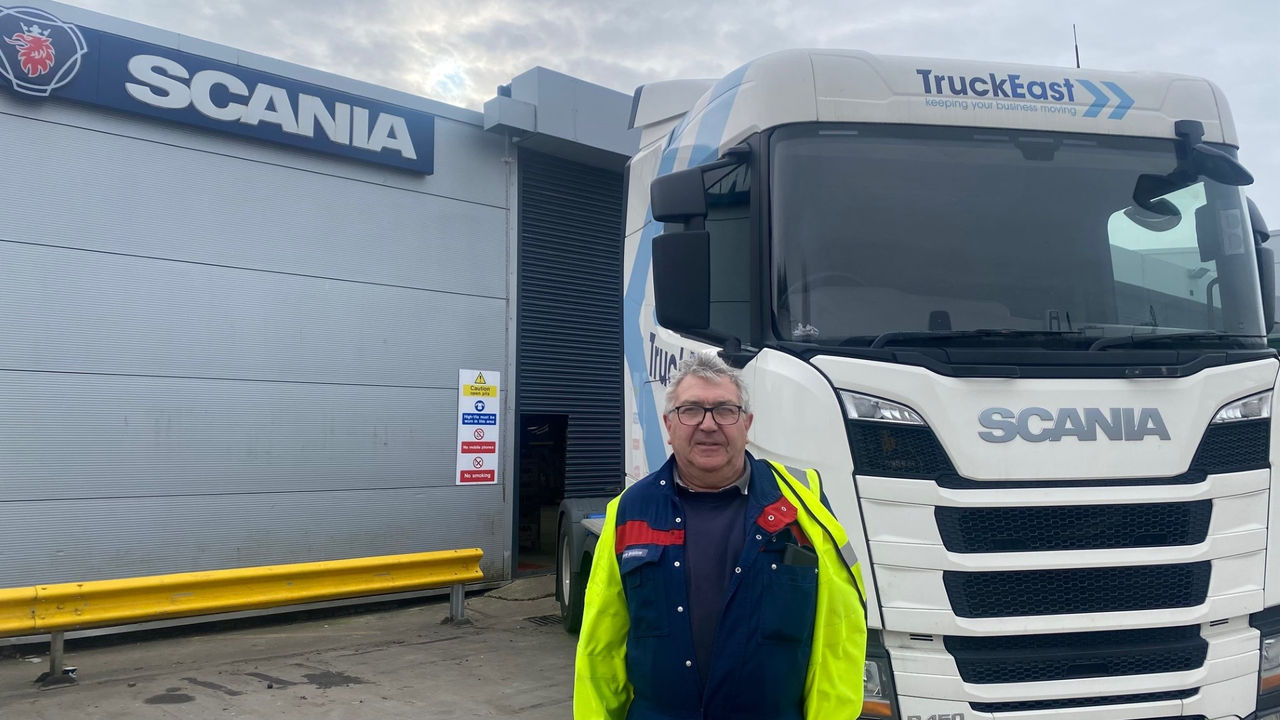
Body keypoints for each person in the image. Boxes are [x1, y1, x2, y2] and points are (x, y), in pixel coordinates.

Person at [573, 351, 867, 719]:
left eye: (725, 410)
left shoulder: (802, 505)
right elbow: (601, 646)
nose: (708, 425)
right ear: (669, 425)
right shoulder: (630, 511)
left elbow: (839, 635)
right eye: (691, 410)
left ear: (747, 423)